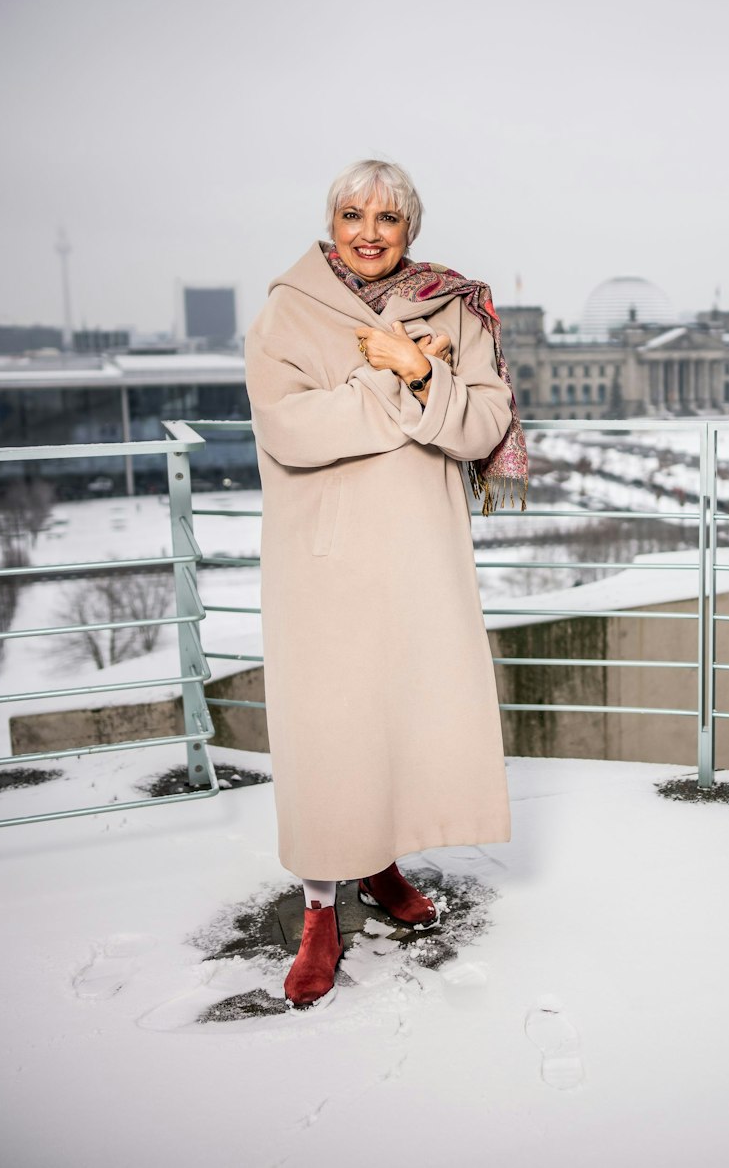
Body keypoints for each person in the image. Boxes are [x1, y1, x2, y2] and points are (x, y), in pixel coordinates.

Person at [243, 158, 527, 1011]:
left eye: (388, 218)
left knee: (405, 713)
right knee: (328, 729)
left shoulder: (453, 306)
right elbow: (291, 429)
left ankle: (379, 858)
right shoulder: (286, 311)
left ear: (411, 229)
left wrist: (421, 366)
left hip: (420, 558)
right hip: (322, 563)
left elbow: (484, 421)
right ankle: (320, 909)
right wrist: (390, 376)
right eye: (352, 213)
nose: (369, 231)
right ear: (331, 221)